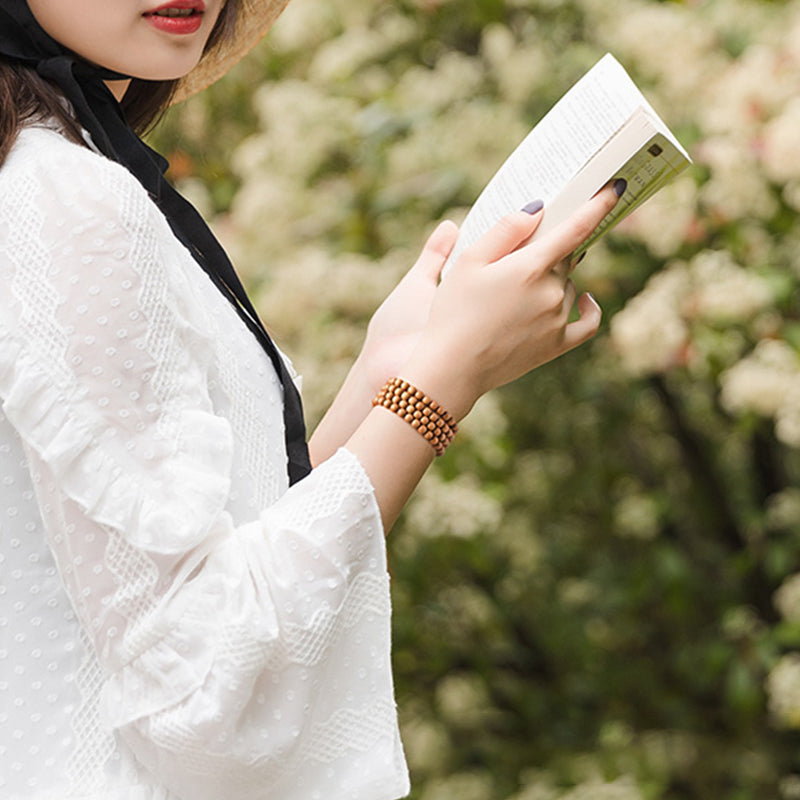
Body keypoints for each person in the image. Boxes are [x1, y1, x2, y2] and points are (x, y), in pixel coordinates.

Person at [0, 1, 623, 798]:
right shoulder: (68, 197)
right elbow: (197, 692)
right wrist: (440, 384)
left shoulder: (55, 173)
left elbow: (190, 577)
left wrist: (385, 377)